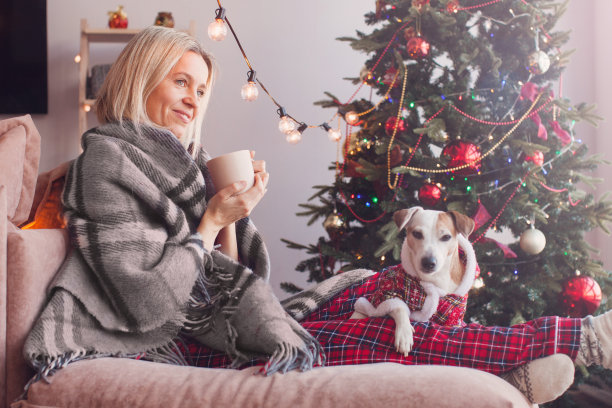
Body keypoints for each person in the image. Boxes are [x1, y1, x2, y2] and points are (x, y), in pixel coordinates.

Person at [22, 25, 612, 405]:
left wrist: (233, 216)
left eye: (200, 90)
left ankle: (505, 372)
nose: (192, 100)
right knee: (385, 328)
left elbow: (231, 277)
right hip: (162, 337)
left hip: (210, 324)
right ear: (140, 79)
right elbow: (147, 298)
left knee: (362, 289)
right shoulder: (105, 163)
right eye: (180, 82)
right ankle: (575, 339)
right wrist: (209, 222)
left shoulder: (187, 166)